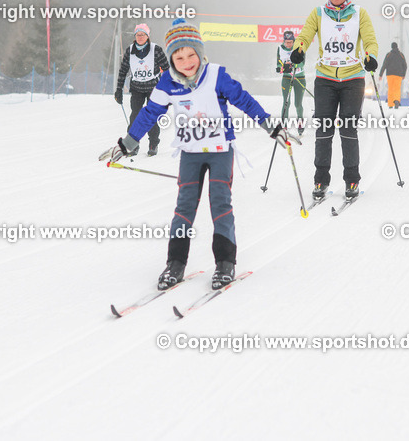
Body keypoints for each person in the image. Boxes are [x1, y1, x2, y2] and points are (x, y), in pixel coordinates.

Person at [101, 18, 289, 291]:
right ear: (172, 59)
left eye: (191, 54)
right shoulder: (167, 82)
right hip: (190, 153)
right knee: (184, 207)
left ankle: (225, 263)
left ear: (200, 53)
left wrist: (271, 126)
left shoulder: (216, 76)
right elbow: (150, 113)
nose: (186, 61)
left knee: (220, 204)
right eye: (179, 56)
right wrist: (127, 142)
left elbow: (244, 100)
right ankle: (175, 264)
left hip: (219, 151)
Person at [289, 0, 378, 201]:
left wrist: (371, 56)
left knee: (348, 129)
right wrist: (298, 49)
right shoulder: (318, 13)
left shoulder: (360, 13)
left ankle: (351, 180)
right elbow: (305, 36)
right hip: (326, 79)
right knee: (324, 129)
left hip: (352, 79)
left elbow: (369, 40)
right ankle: (321, 180)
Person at [114, 23, 169, 156]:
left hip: (153, 89)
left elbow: (167, 69)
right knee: (135, 116)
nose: (140, 37)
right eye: (138, 34)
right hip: (137, 88)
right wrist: (119, 89)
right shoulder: (130, 50)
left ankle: (153, 143)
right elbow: (123, 71)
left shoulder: (156, 49)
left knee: (151, 117)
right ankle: (133, 145)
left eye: (142, 34)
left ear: (147, 36)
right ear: (135, 36)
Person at [276, 30, 306, 135]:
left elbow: (302, 63)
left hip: (299, 78)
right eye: (286, 42)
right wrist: (280, 68)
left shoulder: (299, 48)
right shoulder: (280, 48)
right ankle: (283, 126)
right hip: (287, 78)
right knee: (286, 103)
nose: (288, 45)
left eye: (290, 42)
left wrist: (293, 65)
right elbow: (278, 63)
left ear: (294, 41)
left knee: (297, 104)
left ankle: (300, 123)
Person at [379, 41, 408, 108]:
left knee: (390, 89)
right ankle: (397, 100)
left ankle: (391, 104)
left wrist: (381, 75)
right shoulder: (401, 55)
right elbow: (405, 65)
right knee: (397, 89)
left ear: (391, 47)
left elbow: (384, 65)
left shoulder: (389, 55)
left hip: (390, 74)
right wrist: (403, 74)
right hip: (399, 75)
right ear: (397, 46)